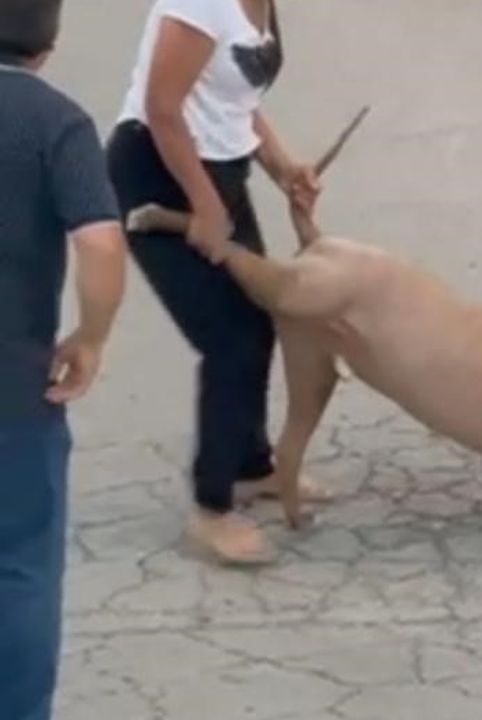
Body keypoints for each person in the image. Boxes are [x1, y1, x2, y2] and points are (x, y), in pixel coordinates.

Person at [106, 0, 324, 565]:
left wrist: (282, 167)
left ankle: (250, 466)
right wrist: (204, 205)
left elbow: (236, 99)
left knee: (259, 317)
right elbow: (162, 107)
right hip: (156, 175)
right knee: (231, 339)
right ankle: (212, 508)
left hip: (218, 172)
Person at [0, 1, 128, 717]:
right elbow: (102, 243)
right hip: (14, 393)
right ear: (48, 45)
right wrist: (91, 337)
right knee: (18, 570)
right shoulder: (57, 123)